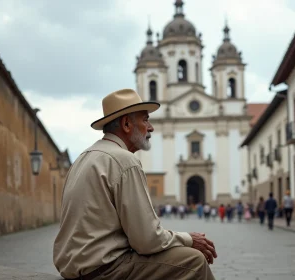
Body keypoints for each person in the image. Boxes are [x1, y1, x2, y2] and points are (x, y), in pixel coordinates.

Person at [53, 89, 217, 280]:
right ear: (126, 124)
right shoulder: (124, 160)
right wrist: (189, 239)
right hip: (105, 270)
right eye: (145, 120)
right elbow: (147, 240)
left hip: (77, 267)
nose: (151, 127)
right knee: (194, 261)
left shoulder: (85, 157)